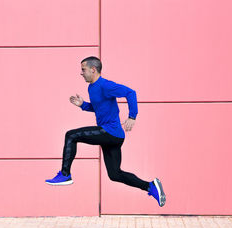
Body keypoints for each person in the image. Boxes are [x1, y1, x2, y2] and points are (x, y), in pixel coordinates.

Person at [45, 56, 166, 207]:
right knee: (115, 174)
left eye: (83, 69)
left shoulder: (105, 85)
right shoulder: (92, 88)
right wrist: (83, 105)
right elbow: (98, 108)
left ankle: (65, 174)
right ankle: (150, 186)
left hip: (110, 132)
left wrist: (132, 116)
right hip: (113, 136)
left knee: (71, 135)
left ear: (93, 69)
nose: (81, 73)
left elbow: (131, 93)